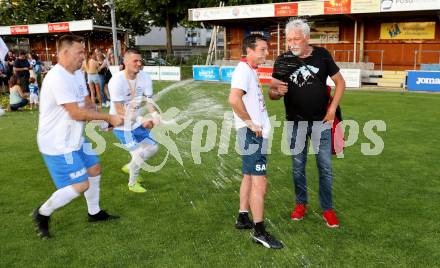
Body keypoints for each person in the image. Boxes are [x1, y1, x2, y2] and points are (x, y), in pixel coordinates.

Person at [32, 34, 124, 239]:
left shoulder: (75, 73)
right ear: (64, 53)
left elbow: (86, 102)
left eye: (84, 51)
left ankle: (94, 212)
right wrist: (108, 116)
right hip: (58, 143)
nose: (83, 56)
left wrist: (104, 121)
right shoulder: (57, 77)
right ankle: (42, 213)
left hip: (74, 138)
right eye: (79, 52)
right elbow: (75, 112)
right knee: (80, 185)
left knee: (94, 168)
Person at [269, 19, 346, 228]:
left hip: (321, 122)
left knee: (325, 167)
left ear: (306, 38)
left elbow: (340, 82)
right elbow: (272, 91)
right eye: (289, 39)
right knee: (297, 167)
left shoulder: (322, 55)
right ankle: (300, 204)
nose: (292, 43)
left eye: (296, 39)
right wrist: (276, 92)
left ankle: (327, 209)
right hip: (295, 124)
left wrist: (331, 110)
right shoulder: (283, 60)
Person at [228, 34, 283, 249]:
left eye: (266, 49)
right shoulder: (243, 71)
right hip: (252, 134)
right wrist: (250, 122)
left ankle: (243, 216)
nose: (266, 53)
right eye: (262, 49)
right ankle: (259, 232)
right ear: (249, 50)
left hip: (253, 133)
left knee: (250, 177)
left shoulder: (249, 70)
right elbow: (233, 98)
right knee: (260, 182)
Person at [109, 48, 159, 193]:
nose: (139, 64)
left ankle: (130, 166)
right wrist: (141, 118)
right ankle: (132, 184)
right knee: (137, 154)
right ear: (125, 62)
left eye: (140, 60)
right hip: (121, 125)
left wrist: (155, 116)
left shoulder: (145, 77)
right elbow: (119, 110)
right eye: (135, 61)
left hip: (135, 123)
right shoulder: (116, 81)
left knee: (153, 148)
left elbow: (149, 101)